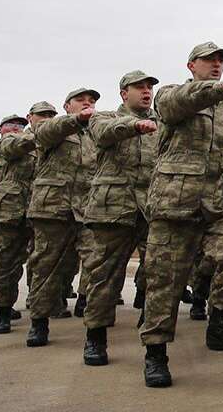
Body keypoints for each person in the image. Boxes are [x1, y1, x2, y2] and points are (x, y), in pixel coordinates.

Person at [138, 42, 223, 387]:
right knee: (165, 281)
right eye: (209, 60)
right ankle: (155, 352)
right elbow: (177, 105)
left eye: (221, 61)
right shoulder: (171, 95)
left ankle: (221, 322)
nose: (216, 65)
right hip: (176, 203)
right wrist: (219, 89)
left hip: (220, 206)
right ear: (191, 65)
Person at [82, 72, 160, 366]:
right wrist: (133, 125)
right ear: (123, 93)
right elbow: (104, 133)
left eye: (150, 87)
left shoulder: (161, 122)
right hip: (113, 208)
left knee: (160, 270)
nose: (146, 91)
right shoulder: (102, 118)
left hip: (151, 207)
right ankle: (96, 336)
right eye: (139, 87)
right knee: (105, 276)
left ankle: (152, 335)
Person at [12, 88, 99, 347]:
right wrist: (75, 120)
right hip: (52, 208)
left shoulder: (95, 134)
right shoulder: (54, 129)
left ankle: (94, 328)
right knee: (45, 268)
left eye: (92, 100)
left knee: (98, 262)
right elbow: (45, 132)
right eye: (81, 100)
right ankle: (39, 322)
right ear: (67, 106)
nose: (88, 103)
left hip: (86, 210)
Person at [0, 109, 43, 333]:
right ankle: (1, 309)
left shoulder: (38, 146)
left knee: (25, 260)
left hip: (35, 207)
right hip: (6, 210)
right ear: (0, 129)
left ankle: (10, 302)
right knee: (4, 259)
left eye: (19, 126)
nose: (15, 129)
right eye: (10, 125)